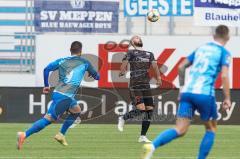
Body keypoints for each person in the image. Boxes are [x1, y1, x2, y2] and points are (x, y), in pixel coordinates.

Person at [142, 25, 232, 159]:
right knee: (210, 129)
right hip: (204, 94)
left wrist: (182, 87)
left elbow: (181, 66)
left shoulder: (201, 49)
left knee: (180, 129)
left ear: (214, 36)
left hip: (187, 94)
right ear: (228, 37)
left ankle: (152, 145)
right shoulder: (224, 53)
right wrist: (227, 98)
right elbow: (224, 76)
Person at [17, 41, 99, 150]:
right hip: (65, 97)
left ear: (70, 50)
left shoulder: (62, 61)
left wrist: (46, 85)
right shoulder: (85, 63)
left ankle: (61, 135)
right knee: (48, 119)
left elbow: (46, 69)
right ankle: (24, 135)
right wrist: (92, 73)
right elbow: (97, 77)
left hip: (60, 94)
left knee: (76, 111)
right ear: (81, 51)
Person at [118, 35, 162, 143]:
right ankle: (123, 118)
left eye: (138, 37)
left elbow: (155, 66)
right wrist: (122, 70)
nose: (137, 38)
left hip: (146, 85)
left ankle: (142, 136)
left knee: (149, 110)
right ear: (132, 42)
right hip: (135, 85)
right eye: (135, 38)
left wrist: (159, 77)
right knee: (141, 109)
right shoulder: (131, 53)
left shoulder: (149, 54)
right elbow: (123, 65)